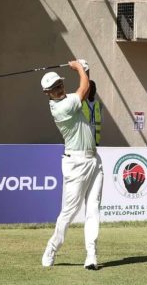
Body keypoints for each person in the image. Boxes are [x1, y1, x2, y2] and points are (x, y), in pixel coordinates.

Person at [41, 60, 102, 270]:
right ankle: (52, 247)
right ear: (47, 93)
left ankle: (91, 255)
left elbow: (86, 85)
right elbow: (84, 88)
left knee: (93, 208)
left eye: (60, 85)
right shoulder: (61, 108)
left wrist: (85, 70)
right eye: (54, 88)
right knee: (69, 211)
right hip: (76, 163)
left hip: (94, 159)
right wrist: (78, 68)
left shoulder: (68, 99)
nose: (59, 90)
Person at [81, 80, 103, 146]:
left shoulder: (99, 105)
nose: (93, 90)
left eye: (94, 88)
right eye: (90, 88)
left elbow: (101, 121)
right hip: (84, 139)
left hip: (95, 139)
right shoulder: (81, 103)